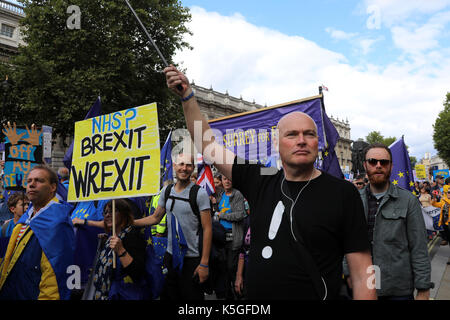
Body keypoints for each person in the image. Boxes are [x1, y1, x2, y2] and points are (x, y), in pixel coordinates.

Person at [164, 65, 376, 300]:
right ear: (277, 144)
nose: (302, 141)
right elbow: (208, 147)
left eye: (309, 134)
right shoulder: (262, 178)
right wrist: (187, 98)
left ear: (319, 143)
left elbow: (362, 272)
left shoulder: (343, 192)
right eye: (292, 135)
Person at [358, 143, 432, 300]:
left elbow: (419, 247)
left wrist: (423, 288)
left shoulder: (408, 200)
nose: (378, 166)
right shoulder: (353, 200)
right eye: (372, 161)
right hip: (361, 286)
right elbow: (346, 243)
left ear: (391, 166)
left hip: (398, 290)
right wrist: (346, 274)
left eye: (384, 162)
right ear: (365, 165)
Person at [134, 153, 212, 300]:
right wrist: (131, 223)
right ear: (174, 166)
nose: (184, 168)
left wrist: (204, 263)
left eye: (188, 165)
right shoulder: (167, 191)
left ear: (193, 168)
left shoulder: (199, 194)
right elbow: (155, 218)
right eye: (181, 164)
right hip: (170, 257)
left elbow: (208, 229)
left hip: (192, 259)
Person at [0, 165, 75, 300]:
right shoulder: (26, 218)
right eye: (29, 181)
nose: (32, 185)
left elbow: (54, 277)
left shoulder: (58, 223)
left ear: (53, 187)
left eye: (39, 180)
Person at [84, 199, 146, 300]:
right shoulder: (109, 239)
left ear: (124, 215)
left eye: (113, 211)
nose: (107, 215)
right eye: (106, 212)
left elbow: (137, 273)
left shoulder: (133, 237)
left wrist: (121, 251)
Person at [215, 175, 247, 299]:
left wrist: (222, 216)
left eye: (229, 179)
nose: (227, 181)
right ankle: (228, 296)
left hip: (234, 238)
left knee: (232, 267)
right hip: (221, 238)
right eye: (224, 179)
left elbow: (240, 215)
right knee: (223, 269)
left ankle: (240, 294)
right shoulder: (221, 194)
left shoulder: (237, 194)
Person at [432, 185, 450, 253]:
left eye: (449, 192)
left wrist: (442, 196)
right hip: (445, 223)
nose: (448, 194)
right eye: (448, 192)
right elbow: (434, 204)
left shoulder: (445, 199)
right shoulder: (443, 200)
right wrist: (434, 196)